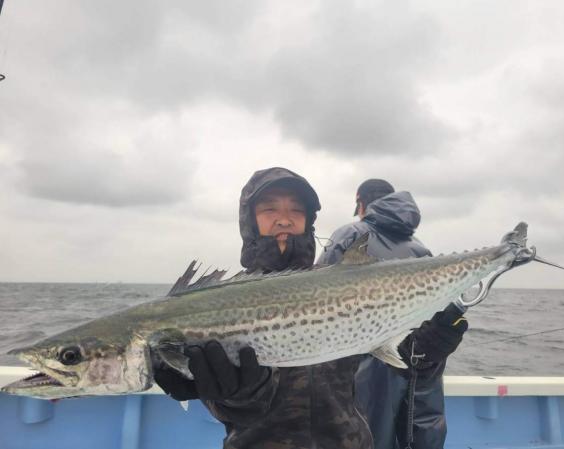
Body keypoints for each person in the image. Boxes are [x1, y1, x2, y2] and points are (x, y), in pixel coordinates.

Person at [154, 167, 373, 449]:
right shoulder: (221, 301)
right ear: (250, 221)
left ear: (309, 221)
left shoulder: (342, 288)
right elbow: (228, 408)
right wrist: (236, 395)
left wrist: (424, 349)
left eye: (297, 210)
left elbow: (391, 348)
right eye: (270, 209)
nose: (284, 219)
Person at [317, 179, 468, 449]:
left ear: (360, 204)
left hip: (366, 369)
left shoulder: (350, 236)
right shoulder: (421, 249)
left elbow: (316, 298)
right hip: (418, 369)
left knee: (368, 435)